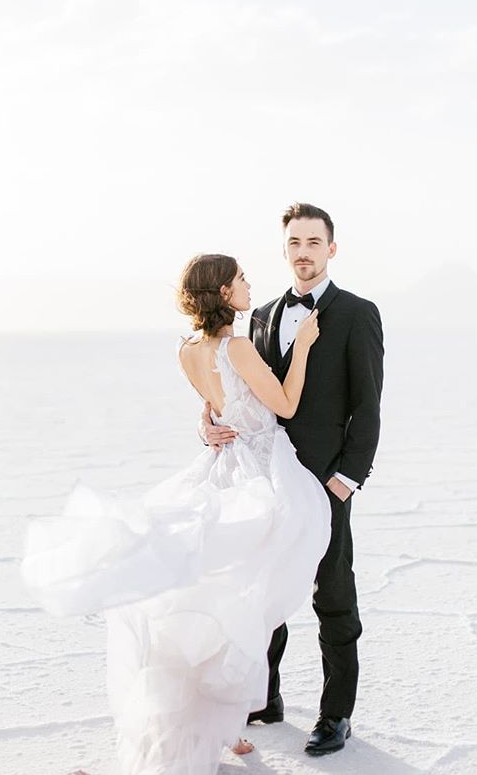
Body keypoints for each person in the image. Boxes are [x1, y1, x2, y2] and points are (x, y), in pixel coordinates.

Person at [21, 253, 331, 775]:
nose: (249, 285)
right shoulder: (236, 345)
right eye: (241, 280)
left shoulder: (187, 349)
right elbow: (285, 405)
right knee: (241, 596)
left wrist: (206, 420)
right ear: (223, 293)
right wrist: (301, 349)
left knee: (211, 596)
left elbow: (215, 404)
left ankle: (221, 721)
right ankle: (220, 718)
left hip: (218, 466)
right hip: (257, 472)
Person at [202, 203, 384, 756]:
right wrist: (208, 420)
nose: (303, 251)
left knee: (332, 597)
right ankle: (266, 696)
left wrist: (346, 480)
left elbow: (368, 407)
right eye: (294, 242)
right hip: (266, 480)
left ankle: (335, 716)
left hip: (324, 483)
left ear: (331, 248)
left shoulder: (357, 313)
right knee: (264, 593)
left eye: (313, 241)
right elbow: (245, 390)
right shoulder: (258, 316)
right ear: (284, 251)